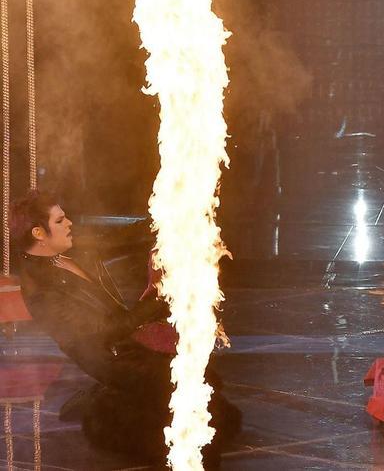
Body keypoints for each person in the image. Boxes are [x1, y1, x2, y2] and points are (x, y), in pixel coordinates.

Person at [13, 190, 240, 466]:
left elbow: (117, 240)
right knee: (195, 404)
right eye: (60, 221)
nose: (69, 223)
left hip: (127, 344)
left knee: (211, 385)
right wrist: (161, 300)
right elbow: (104, 331)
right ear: (39, 233)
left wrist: (167, 215)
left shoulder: (63, 253)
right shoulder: (41, 291)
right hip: (112, 359)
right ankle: (112, 408)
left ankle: (110, 401)